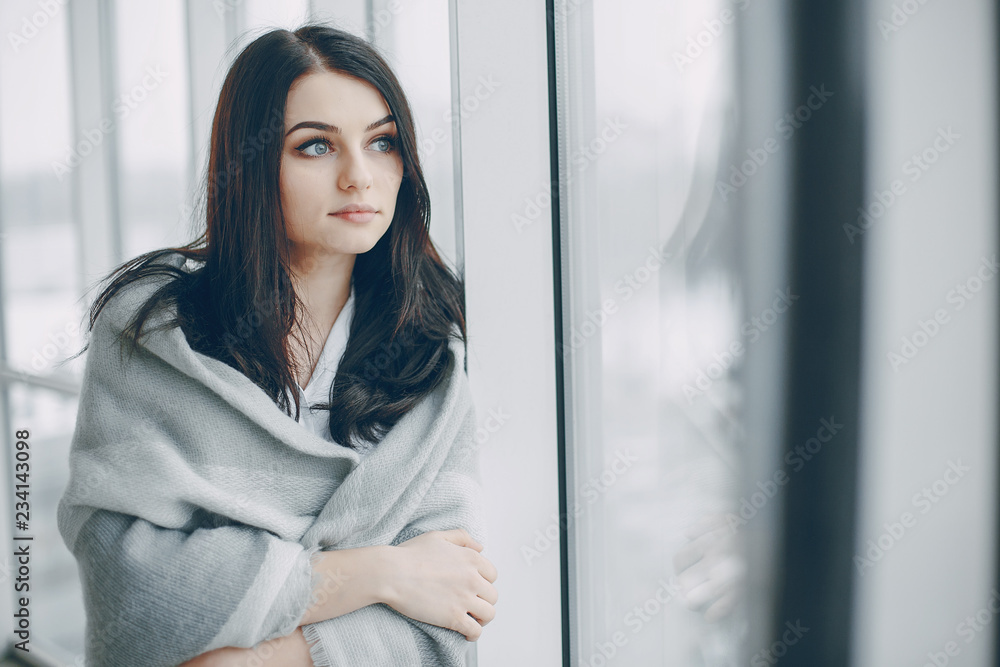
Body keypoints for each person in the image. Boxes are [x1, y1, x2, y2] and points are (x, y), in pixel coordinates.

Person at [60, 24, 497, 666]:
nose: (359, 177)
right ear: (251, 164)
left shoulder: (430, 353)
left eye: (382, 143)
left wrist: (244, 656)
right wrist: (381, 573)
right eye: (317, 146)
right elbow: (131, 589)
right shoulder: (155, 333)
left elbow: (451, 612)